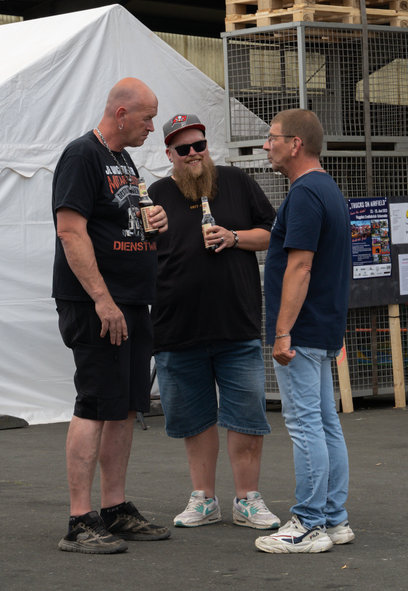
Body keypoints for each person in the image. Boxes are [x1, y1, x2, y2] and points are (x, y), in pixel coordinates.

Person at [52, 77, 171, 554]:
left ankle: (114, 508)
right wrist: (103, 299)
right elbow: (70, 231)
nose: (151, 127)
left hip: (132, 300)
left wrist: (153, 222)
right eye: (146, 118)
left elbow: (121, 223)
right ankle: (80, 521)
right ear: (121, 114)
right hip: (96, 304)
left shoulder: (123, 159)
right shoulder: (82, 155)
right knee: (96, 403)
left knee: (124, 406)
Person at [148, 113, 280, 530]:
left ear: (208, 147)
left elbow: (275, 233)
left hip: (235, 323)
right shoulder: (155, 194)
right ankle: (204, 498)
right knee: (195, 420)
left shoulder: (237, 183)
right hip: (177, 326)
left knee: (245, 416)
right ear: (168, 153)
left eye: (198, 145)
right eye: (182, 149)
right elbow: (138, 252)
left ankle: (247, 499)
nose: (193, 155)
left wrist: (234, 237)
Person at [255, 109, 354, 554]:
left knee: (306, 424)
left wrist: (281, 332)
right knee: (326, 423)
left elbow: (300, 265)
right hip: (323, 326)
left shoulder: (306, 194)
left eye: (272, 137)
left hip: (303, 330)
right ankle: (334, 520)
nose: (265, 145)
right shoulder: (328, 189)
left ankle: (309, 523)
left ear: (295, 144)